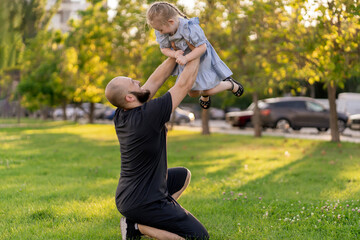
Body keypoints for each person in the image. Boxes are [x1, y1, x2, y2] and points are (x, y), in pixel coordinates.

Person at [105, 57, 209, 240]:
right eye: (132, 82)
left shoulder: (122, 113)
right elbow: (184, 84)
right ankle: (136, 227)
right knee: (198, 237)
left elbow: (155, 80)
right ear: (130, 97)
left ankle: (160, 216)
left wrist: (174, 55)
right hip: (142, 202)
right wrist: (196, 52)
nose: (137, 81)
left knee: (182, 175)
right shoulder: (148, 116)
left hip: (128, 197)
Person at [146, 1, 244, 109]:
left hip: (201, 58)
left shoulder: (189, 27)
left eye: (160, 30)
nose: (160, 33)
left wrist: (186, 58)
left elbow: (202, 47)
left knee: (207, 88)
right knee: (190, 91)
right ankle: (205, 95)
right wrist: (174, 53)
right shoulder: (163, 30)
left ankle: (230, 85)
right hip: (184, 61)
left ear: (171, 21)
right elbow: (164, 48)